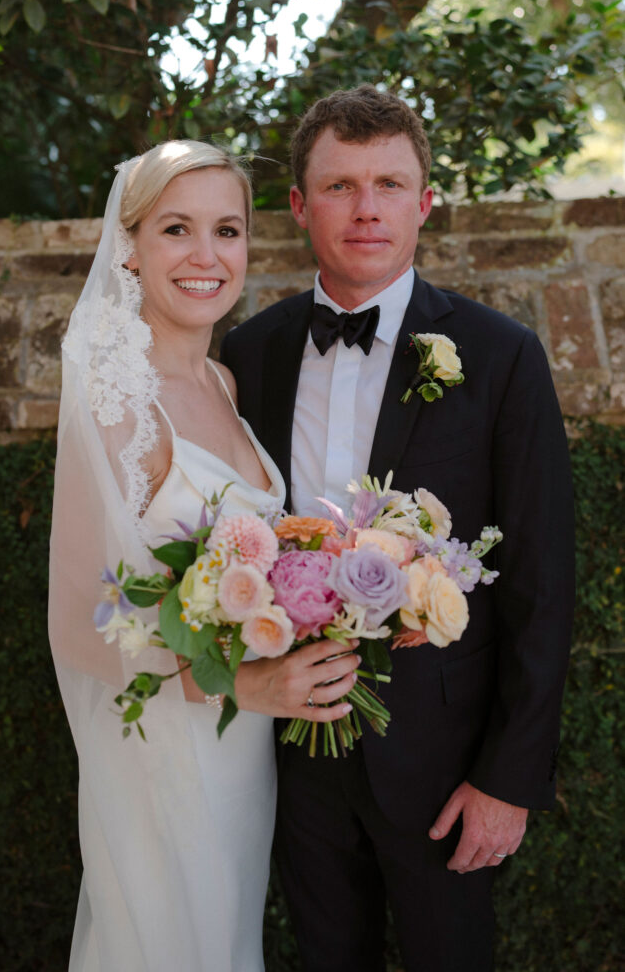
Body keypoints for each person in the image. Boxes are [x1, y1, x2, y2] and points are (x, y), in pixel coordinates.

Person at [221, 85, 575, 972]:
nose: (366, 207)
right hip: (289, 757)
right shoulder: (246, 354)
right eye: (339, 186)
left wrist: (507, 778)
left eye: (388, 184)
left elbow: (540, 580)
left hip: (442, 762)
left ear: (424, 203)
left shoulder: (499, 355)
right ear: (299, 206)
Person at [48, 140, 359, 972]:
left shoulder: (222, 383)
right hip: (163, 743)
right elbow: (82, 623)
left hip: (239, 748)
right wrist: (244, 680)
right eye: (176, 229)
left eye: (227, 231)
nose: (205, 256)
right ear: (130, 246)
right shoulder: (115, 391)